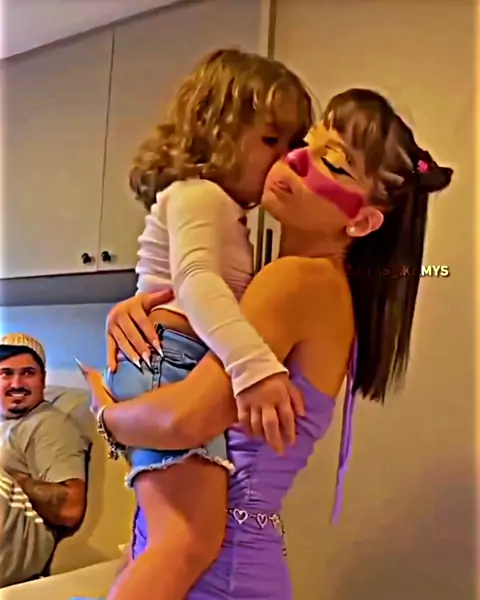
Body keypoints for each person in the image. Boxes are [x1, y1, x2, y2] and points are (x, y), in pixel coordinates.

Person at [77, 88, 453, 599]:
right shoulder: (302, 284)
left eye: (332, 162)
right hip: (222, 559)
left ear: (362, 221)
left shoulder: (297, 281)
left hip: (217, 569)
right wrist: (144, 310)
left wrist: (106, 413)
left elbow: (184, 420)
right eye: (305, 143)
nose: (295, 159)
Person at [78, 48, 313, 600]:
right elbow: (196, 281)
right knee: (185, 540)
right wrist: (254, 368)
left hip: (170, 358)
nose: (284, 159)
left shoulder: (219, 207)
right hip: (172, 359)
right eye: (271, 140)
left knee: (175, 538)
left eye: (293, 144)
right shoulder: (200, 195)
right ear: (218, 131)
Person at [0, 333, 89, 587]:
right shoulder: (7, 424)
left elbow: (70, 507)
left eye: (28, 373)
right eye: (6, 373)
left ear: (43, 379)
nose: (16, 383)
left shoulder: (48, 424)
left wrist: (15, 479)